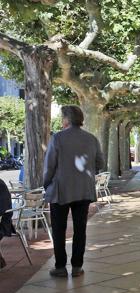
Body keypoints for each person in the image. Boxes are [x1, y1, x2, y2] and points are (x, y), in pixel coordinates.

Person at [44, 105, 105, 278]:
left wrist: (46, 184)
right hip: (83, 190)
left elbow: (49, 167)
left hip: (60, 190)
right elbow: (100, 163)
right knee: (80, 229)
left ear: (66, 119)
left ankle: (60, 266)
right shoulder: (91, 139)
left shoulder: (57, 138)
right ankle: (77, 266)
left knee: (58, 229)